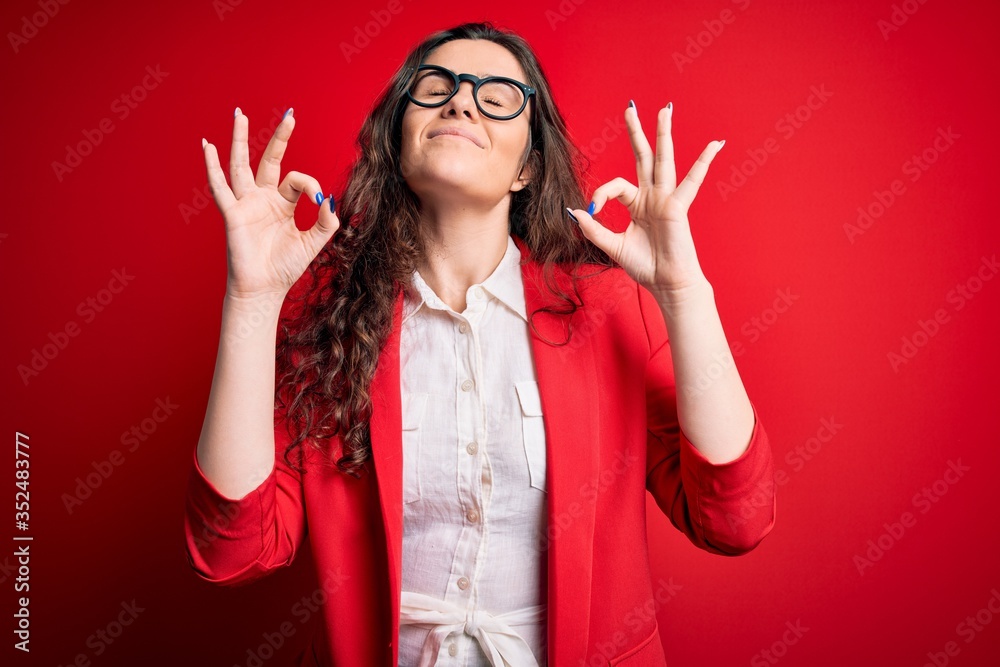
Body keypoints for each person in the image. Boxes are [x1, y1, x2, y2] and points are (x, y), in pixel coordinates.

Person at [183, 21, 776, 667]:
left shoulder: (610, 310)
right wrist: (252, 299)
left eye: (497, 96)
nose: (460, 100)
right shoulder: (331, 323)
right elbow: (230, 554)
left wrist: (684, 292)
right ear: (397, 140)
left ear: (527, 167)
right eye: (434, 88)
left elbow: (733, 521)